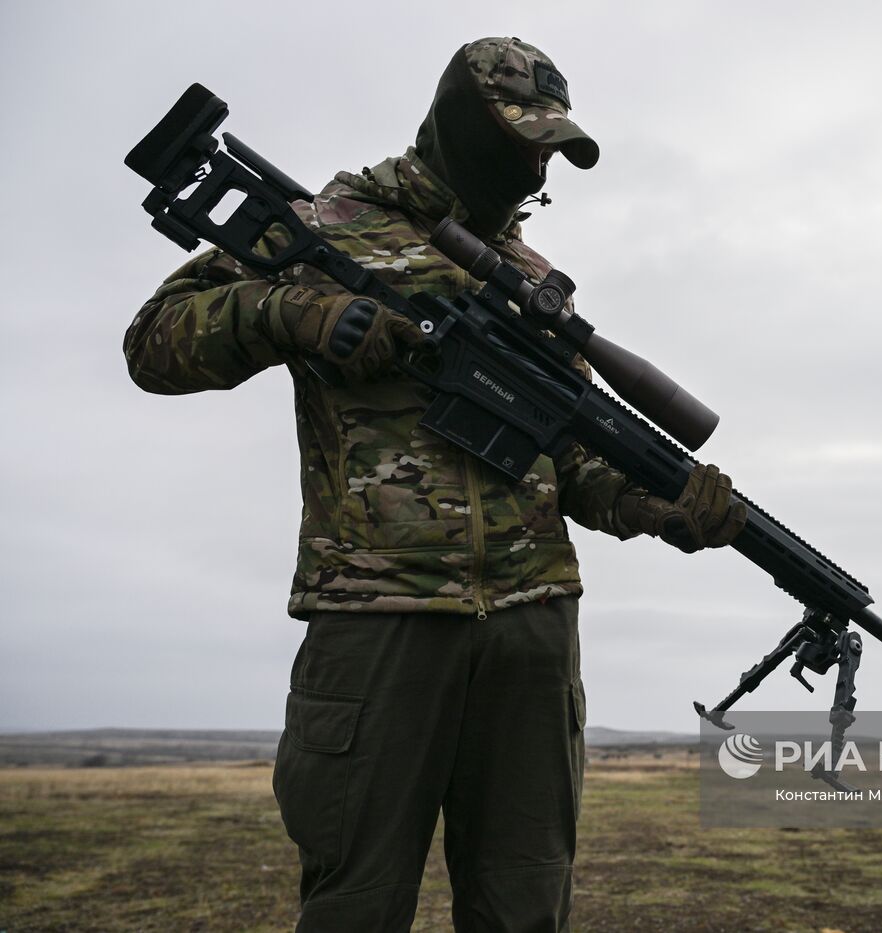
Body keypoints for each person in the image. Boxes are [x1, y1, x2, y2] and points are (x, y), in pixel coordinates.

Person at [123, 37, 745, 932]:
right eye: (523, 139)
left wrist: (660, 503)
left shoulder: (533, 281)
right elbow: (154, 342)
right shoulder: (325, 223)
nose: (536, 165)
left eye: (552, 151)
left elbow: (563, 459)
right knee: (356, 908)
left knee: (527, 906)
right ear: (462, 123)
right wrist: (300, 312)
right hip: (380, 624)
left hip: (533, 632)